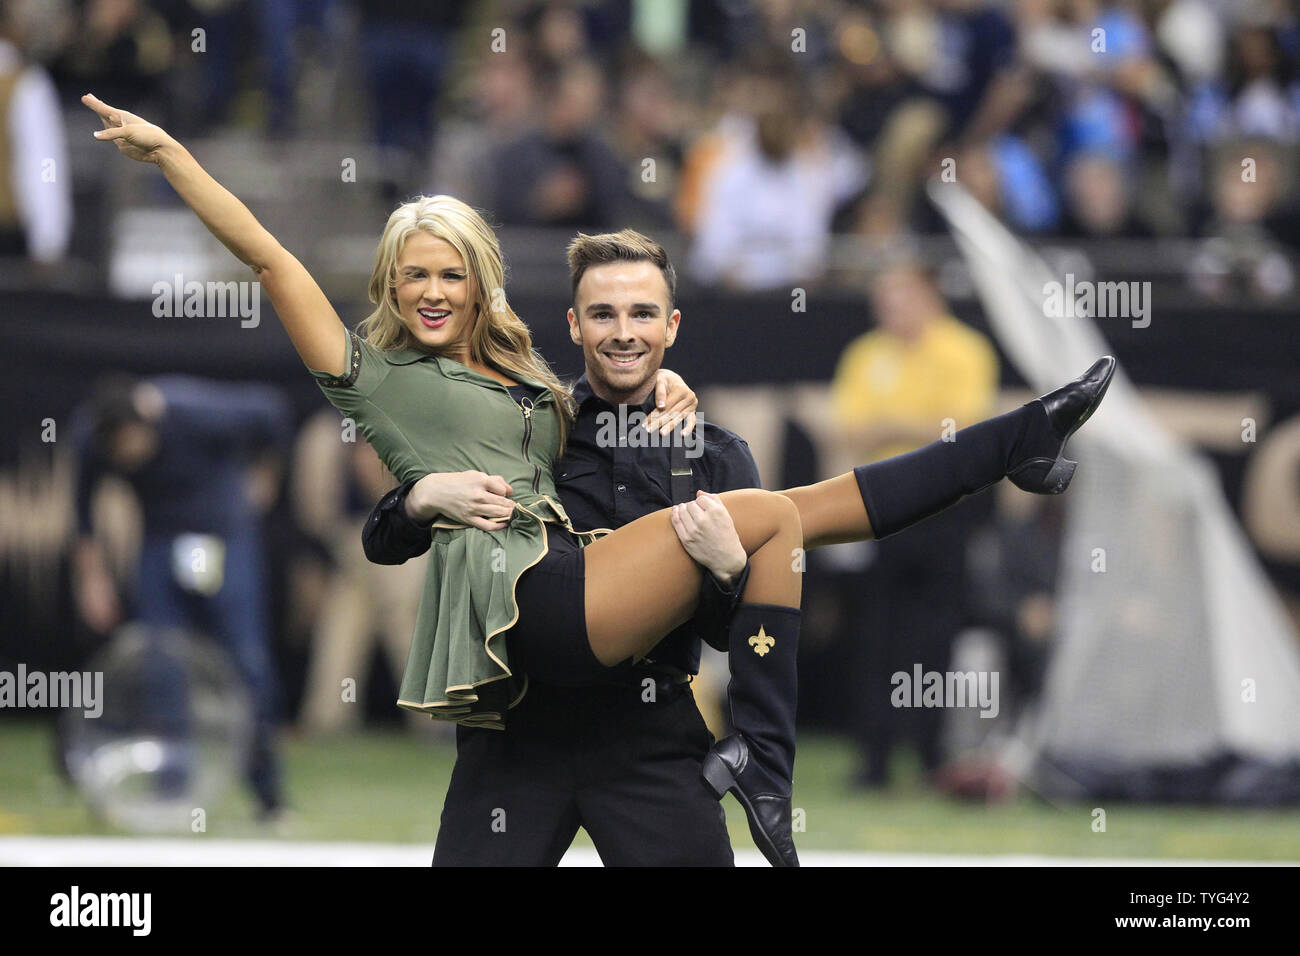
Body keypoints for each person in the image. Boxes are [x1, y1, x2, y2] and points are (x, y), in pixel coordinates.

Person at [84, 92, 1116, 866]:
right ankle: (768, 744)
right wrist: (172, 153)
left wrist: (715, 564)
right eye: (414, 276)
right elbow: (273, 261)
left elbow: (725, 612)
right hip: (526, 664)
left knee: (774, 518)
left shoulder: (557, 399)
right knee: (780, 518)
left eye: (450, 273)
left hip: (641, 723)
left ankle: (1006, 448)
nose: (433, 290)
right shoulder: (378, 378)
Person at [363, 229, 760, 865]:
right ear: (574, 326)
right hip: (517, 731)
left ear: (672, 326)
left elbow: (735, 634)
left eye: (642, 314)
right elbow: (381, 541)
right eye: (603, 314)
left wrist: (729, 568)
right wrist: (420, 498)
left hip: (648, 732)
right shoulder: (524, 428)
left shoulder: (715, 456)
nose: (623, 332)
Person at [71, 373, 291, 818]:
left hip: (223, 539)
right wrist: (92, 580)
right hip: (159, 544)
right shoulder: (89, 436)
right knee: (161, 664)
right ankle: (171, 788)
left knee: (246, 663)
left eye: (131, 443)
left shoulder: (196, 412)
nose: (127, 457)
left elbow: (273, 413)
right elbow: (83, 514)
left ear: (148, 421)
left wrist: (264, 479)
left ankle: (269, 795)